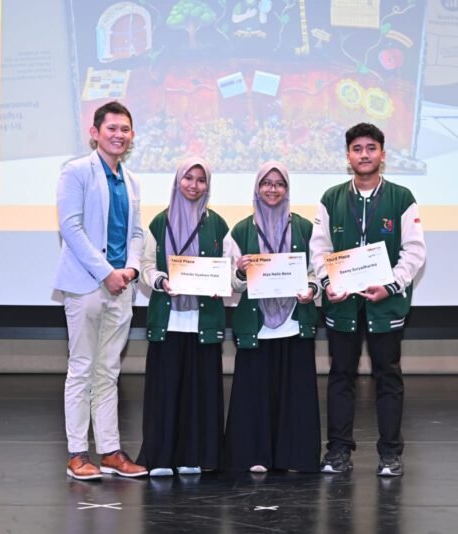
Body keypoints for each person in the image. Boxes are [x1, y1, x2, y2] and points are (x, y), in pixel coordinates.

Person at [309, 122, 426, 476]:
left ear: (383, 155)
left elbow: (415, 251)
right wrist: (329, 282)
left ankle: (390, 453)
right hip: (342, 304)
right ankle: (338, 451)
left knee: (387, 377)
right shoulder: (330, 198)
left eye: (371, 148)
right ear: (348, 156)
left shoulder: (401, 198)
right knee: (341, 376)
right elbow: (319, 249)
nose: (364, 154)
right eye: (357, 149)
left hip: (383, 305)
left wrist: (390, 286)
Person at [54, 100, 147, 480]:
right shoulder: (75, 171)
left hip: (121, 287)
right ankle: (78, 453)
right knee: (82, 369)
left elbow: (137, 233)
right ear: (95, 133)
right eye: (112, 128)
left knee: (108, 371)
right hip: (86, 285)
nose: (119, 135)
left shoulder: (131, 180)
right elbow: (70, 228)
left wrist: (132, 269)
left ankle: (109, 450)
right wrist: (106, 271)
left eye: (125, 129)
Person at [137, 157, 232, 477]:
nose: (194, 185)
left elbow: (230, 270)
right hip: (169, 322)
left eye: (201, 179)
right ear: (177, 181)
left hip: (203, 324)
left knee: (200, 392)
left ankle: (196, 455)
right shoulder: (158, 223)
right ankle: (160, 456)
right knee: (165, 391)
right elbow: (146, 265)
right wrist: (160, 281)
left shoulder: (218, 224)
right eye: (188, 178)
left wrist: (228, 283)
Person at [224, 160, 321, 473]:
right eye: (267, 183)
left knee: (296, 395)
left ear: (287, 189)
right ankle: (256, 455)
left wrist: (311, 288)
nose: (273, 189)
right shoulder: (240, 229)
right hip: (257, 325)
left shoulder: (306, 227)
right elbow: (231, 282)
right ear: (257, 187)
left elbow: (316, 271)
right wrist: (239, 270)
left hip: (294, 322)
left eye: (279, 184)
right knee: (255, 394)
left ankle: (295, 456)